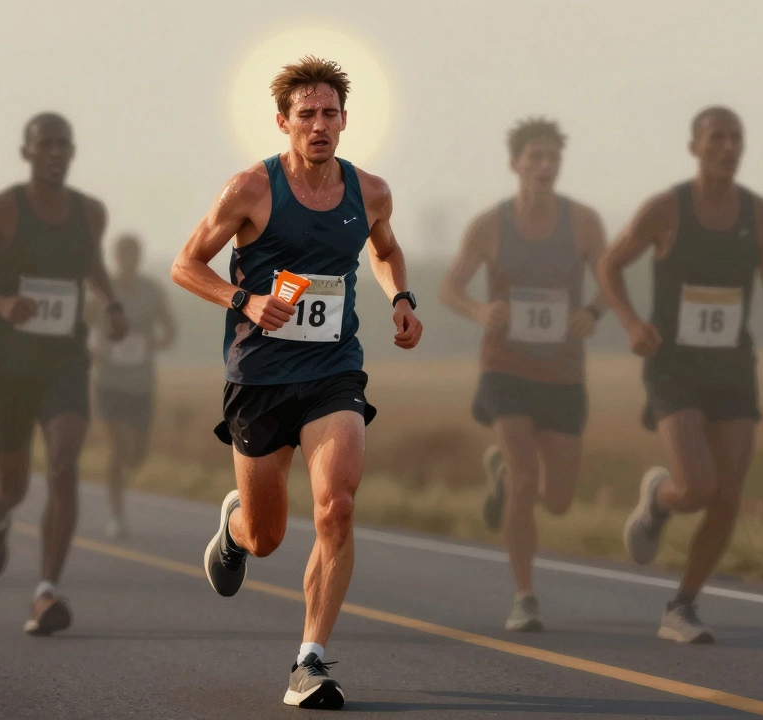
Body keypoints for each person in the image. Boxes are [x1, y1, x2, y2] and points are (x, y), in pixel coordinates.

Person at [171, 57, 423, 710]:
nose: (319, 125)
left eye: (329, 113)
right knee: (267, 537)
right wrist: (245, 301)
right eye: (306, 114)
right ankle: (235, 530)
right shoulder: (251, 189)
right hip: (259, 378)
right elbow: (186, 264)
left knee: (336, 506)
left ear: (345, 120)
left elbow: (386, 249)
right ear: (283, 122)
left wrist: (401, 297)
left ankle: (309, 661)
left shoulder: (370, 192)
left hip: (333, 371)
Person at [597, 107, 763, 643]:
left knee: (728, 494)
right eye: (717, 138)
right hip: (674, 366)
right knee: (698, 486)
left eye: (736, 138)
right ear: (695, 147)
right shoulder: (666, 209)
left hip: (733, 367)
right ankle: (660, 498)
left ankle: (681, 607)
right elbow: (610, 264)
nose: (728, 147)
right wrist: (632, 323)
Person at [0, 113, 128, 635]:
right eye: (44, 144)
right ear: (26, 152)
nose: (54, 153)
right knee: (14, 484)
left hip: (65, 359)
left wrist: (111, 302)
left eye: (62, 144)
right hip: (9, 365)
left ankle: (45, 593)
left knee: (64, 465)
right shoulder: (1, 211)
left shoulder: (90, 212)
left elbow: (90, 263)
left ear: (72, 152)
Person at [439, 117, 609, 632]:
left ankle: (502, 475)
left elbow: (611, 282)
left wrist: (593, 313)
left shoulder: (583, 223)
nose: (544, 164)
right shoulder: (490, 225)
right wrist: (480, 311)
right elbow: (450, 288)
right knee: (526, 478)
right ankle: (524, 595)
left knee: (556, 500)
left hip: (563, 374)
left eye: (552, 156)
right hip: (506, 370)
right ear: (516, 164)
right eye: (534, 156)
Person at [87, 233, 177, 540]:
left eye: (132, 254)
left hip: (141, 384)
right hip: (109, 382)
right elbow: (81, 326)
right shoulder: (102, 291)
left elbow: (169, 329)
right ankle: (117, 516)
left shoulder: (152, 291)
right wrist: (92, 347)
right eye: (122, 254)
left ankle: (124, 477)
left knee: (137, 453)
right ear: (115, 257)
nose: (127, 259)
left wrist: (157, 343)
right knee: (117, 448)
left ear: (138, 257)